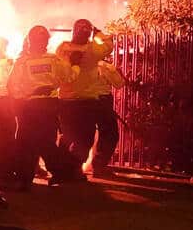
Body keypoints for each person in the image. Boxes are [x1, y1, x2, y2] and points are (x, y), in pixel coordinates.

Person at [7, 25, 81, 189]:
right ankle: (60, 174)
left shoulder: (22, 62)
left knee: (25, 142)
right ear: (46, 41)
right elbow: (68, 77)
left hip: (29, 106)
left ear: (29, 41)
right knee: (47, 142)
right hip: (49, 106)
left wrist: (22, 99)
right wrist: (75, 66)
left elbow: (12, 86)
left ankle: (24, 180)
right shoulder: (53, 59)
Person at [55, 18, 114, 167]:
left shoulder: (63, 48)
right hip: (87, 100)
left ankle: (62, 167)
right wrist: (99, 34)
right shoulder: (92, 49)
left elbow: (59, 67)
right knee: (85, 137)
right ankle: (74, 167)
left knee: (67, 136)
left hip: (66, 100)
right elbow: (108, 46)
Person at [0, 37, 18, 185]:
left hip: (4, 100)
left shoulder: (8, 62)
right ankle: (1, 170)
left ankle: (3, 169)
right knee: (1, 135)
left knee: (5, 135)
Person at [91, 60, 125, 178]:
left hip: (82, 100)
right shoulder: (104, 66)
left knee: (82, 134)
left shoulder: (80, 63)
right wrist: (115, 70)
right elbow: (119, 83)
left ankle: (72, 167)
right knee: (110, 134)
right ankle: (99, 166)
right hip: (102, 101)